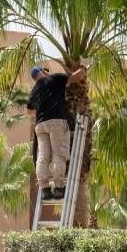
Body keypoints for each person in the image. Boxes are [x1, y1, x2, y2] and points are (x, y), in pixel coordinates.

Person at [26, 65, 87, 200]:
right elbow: (75, 78)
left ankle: (44, 189)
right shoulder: (54, 78)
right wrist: (83, 68)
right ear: (43, 72)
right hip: (56, 122)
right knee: (59, 154)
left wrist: (44, 109)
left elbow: (29, 111)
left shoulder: (34, 90)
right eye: (47, 70)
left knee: (43, 156)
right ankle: (59, 187)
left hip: (40, 125)